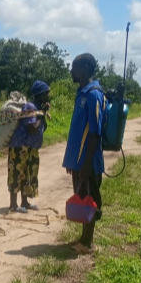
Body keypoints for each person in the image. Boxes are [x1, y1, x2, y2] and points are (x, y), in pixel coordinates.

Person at [62, 53, 106, 255]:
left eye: (75, 67)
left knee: (89, 200)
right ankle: (83, 238)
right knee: (82, 199)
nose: (72, 71)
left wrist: (87, 164)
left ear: (87, 68)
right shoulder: (81, 93)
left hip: (88, 162)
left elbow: (95, 133)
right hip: (79, 161)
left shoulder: (94, 95)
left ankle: (88, 243)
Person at [8, 80, 51, 213]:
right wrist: (42, 115)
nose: (48, 96)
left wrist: (43, 113)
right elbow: (33, 128)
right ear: (39, 94)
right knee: (17, 174)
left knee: (28, 174)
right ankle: (13, 205)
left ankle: (25, 202)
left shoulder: (37, 108)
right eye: (46, 93)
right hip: (20, 147)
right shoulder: (30, 107)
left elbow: (42, 128)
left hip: (31, 148)